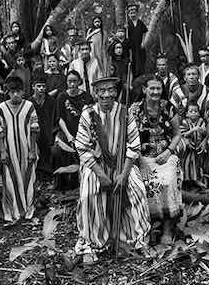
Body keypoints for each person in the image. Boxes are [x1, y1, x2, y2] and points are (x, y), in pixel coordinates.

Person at [74, 76, 151, 264]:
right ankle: (91, 244)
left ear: (116, 92)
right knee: (88, 194)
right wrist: (101, 175)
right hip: (96, 165)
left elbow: (134, 145)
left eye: (110, 90)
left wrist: (124, 174)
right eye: (102, 91)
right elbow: (82, 147)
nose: (106, 95)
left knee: (137, 190)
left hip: (123, 163)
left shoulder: (125, 112)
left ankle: (137, 241)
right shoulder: (88, 114)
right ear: (95, 93)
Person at [130, 76, 183, 244]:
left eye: (158, 89)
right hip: (142, 157)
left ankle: (168, 227)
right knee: (144, 184)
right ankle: (149, 225)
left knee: (167, 180)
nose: (155, 92)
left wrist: (169, 151)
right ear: (144, 90)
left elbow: (177, 134)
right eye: (151, 88)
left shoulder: (168, 107)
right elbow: (129, 139)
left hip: (165, 156)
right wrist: (141, 160)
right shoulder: (135, 110)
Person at [0, 76, 39, 225]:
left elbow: (34, 129)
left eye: (18, 91)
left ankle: (28, 208)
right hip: (9, 149)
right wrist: (2, 150)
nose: (15, 95)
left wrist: (32, 150)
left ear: (23, 92)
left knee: (28, 177)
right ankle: (12, 211)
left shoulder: (29, 106)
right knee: (9, 178)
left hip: (26, 148)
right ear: (7, 92)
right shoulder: (2, 107)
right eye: (12, 91)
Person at [172, 63, 209, 184]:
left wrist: (205, 139)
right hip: (183, 130)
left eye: (194, 74)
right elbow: (174, 117)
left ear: (199, 76)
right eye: (188, 74)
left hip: (204, 129)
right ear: (184, 77)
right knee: (178, 147)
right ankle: (180, 180)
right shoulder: (177, 92)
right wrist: (182, 136)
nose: (192, 77)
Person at [52, 70, 93, 189]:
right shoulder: (62, 97)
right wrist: (68, 135)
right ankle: (61, 183)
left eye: (75, 81)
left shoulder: (86, 97)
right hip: (66, 131)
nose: (72, 84)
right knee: (57, 150)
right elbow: (59, 118)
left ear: (79, 82)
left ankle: (81, 182)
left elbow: (91, 117)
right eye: (69, 81)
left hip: (84, 132)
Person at [29, 75, 55, 177]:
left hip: (48, 132)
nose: (41, 89)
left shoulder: (50, 100)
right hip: (35, 133)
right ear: (33, 87)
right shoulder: (29, 102)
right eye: (38, 86)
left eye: (43, 86)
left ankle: (48, 175)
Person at [179, 102, 207, 185]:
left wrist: (203, 131)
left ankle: (197, 179)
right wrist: (193, 130)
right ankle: (187, 180)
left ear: (199, 114)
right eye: (191, 111)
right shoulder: (185, 122)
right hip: (189, 147)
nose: (194, 113)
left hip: (198, 145)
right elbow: (183, 134)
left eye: (196, 111)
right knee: (188, 163)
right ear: (187, 114)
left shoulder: (201, 121)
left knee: (198, 163)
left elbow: (204, 132)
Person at [127, 3, 148, 77]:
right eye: (131, 13)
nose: (132, 15)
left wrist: (143, 42)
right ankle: (133, 76)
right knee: (133, 60)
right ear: (129, 14)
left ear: (137, 13)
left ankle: (141, 75)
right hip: (131, 46)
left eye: (134, 13)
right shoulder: (127, 24)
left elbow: (145, 33)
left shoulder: (140, 23)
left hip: (139, 45)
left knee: (141, 60)